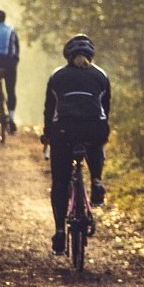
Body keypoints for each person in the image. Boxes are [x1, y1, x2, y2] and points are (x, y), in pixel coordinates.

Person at [40, 34, 111, 256]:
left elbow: (49, 110)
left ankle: (60, 233)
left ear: (67, 55)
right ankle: (97, 181)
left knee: (60, 182)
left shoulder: (57, 76)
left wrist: (47, 136)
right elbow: (105, 110)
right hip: (93, 128)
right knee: (95, 141)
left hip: (64, 130)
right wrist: (101, 132)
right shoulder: (101, 76)